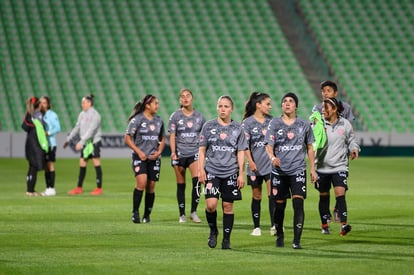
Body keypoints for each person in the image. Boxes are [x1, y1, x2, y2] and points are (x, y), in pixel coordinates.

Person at [265, 92, 317, 249]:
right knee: (279, 206)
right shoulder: (274, 124)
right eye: (285, 101)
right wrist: (272, 157)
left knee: (298, 204)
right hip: (279, 172)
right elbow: (268, 145)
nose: (287, 103)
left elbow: (310, 146)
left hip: (298, 170)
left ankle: (296, 240)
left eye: (291, 101)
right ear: (281, 106)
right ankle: (280, 235)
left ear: (296, 106)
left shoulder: (303, 124)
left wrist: (313, 169)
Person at [198, 95, 247, 249]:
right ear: (217, 108)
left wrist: (241, 173)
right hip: (212, 170)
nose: (223, 109)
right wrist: (200, 170)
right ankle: (213, 231)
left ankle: (226, 239)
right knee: (211, 205)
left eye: (226, 106)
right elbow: (202, 150)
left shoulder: (238, 128)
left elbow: (241, 152)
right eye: (220, 106)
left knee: (227, 206)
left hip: (231, 171)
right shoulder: (208, 126)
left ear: (231, 109)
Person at [315, 98, 360, 236]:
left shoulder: (345, 124)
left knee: (340, 194)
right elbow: (311, 142)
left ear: (334, 109)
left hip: (340, 166)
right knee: (324, 196)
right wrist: (317, 130)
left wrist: (354, 148)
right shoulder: (318, 123)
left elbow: (352, 139)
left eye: (326, 107)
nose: (323, 110)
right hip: (322, 167)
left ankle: (343, 225)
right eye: (322, 107)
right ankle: (324, 225)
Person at [312, 80, 355, 222]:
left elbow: (348, 130)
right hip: (323, 158)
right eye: (323, 91)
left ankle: (338, 209)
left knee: (340, 187)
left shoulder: (345, 107)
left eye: (328, 91)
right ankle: (326, 216)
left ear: (335, 93)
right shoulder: (317, 108)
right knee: (324, 192)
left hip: (340, 156)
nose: (325, 93)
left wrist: (352, 146)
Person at [125, 94, 165, 224]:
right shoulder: (137, 120)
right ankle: (135, 212)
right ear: (147, 105)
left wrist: (159, 152)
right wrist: (138, 151)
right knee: (141, 183)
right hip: (139, 157)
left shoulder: (158, 120)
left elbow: (162, 138)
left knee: (151, 186)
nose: (157, 106)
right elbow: (127, 138)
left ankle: (147, 215)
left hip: (153, 158)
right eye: (155, 103)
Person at [168, 88, 206, 223]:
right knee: (181, 184)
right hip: (180, 154)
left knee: (197, 182)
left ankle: (194, 212)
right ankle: (182, 214)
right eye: (182, 96)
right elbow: (172, 136)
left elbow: (203, 138)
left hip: (194, 153)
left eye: (188, 96)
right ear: (180, 100)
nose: (185, 98)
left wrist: (203, 154)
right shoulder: (175, 116)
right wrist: (173, 152)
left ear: (192, 98)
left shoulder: (200, 117)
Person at [241, 92, 275, 236]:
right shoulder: (247, 123)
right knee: (256, 196)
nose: (270, 106)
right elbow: (245, 145)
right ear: (258, 105)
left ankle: (275, 226)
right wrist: (250, 161)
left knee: (272, 194)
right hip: (255, 165)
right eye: (267, 103)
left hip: (270, 165)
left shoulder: (272, 121)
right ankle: (256, 227)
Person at [63, 94, 103, 196]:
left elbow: (91, 131)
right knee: (82, 163)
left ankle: (99, 188)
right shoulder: (82, 114)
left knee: (96, 163)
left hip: (93, 142)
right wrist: (69, 139)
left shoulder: (95, 115)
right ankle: (79, 187)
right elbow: (77, 127)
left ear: (89, 103)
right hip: (85, 142)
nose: (82, 105)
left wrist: (81, 142)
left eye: (84, 102)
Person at [21, 96, 49, 196]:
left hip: (29, 143)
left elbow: (24, 127)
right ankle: (30, 190)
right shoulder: (38, 115)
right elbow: (40, 133)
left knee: (31, 167)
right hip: (35, 143)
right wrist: (45, 145)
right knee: (34, 167)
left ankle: (30, 189)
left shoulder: (29, 115)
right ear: (39, 105)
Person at [39, 96, 61, 196]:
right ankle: (48, 188)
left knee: (50, 165)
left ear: (48, 104)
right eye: (41, 102)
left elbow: (58, 128)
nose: (42, 104)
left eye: (44, 103)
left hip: (51, 144)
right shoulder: (39, 115)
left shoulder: (52, 115)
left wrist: (48, 132)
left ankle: (52, 188)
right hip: (44, 145)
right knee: (46, 167)